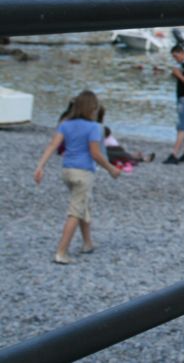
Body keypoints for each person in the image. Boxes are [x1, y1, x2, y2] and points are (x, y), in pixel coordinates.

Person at [34, 90, 121, 264]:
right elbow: (95, 154)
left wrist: (40, 166)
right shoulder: (94, 127)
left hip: (67, 171)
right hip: (83, 173)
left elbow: (53, 145)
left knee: (83, 204)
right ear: (92, 108)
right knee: (75, 211)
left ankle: (87, 243)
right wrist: (111, 169)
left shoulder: (65, 124)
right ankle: (61, 252)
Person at [164, 43, 184, 164]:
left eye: (176, 56)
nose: (175, 59)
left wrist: (178, 75)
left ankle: (174, 153)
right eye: (173, 56)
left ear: (182, 53)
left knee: (181, 126)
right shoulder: (182, 65)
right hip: (182, 97)